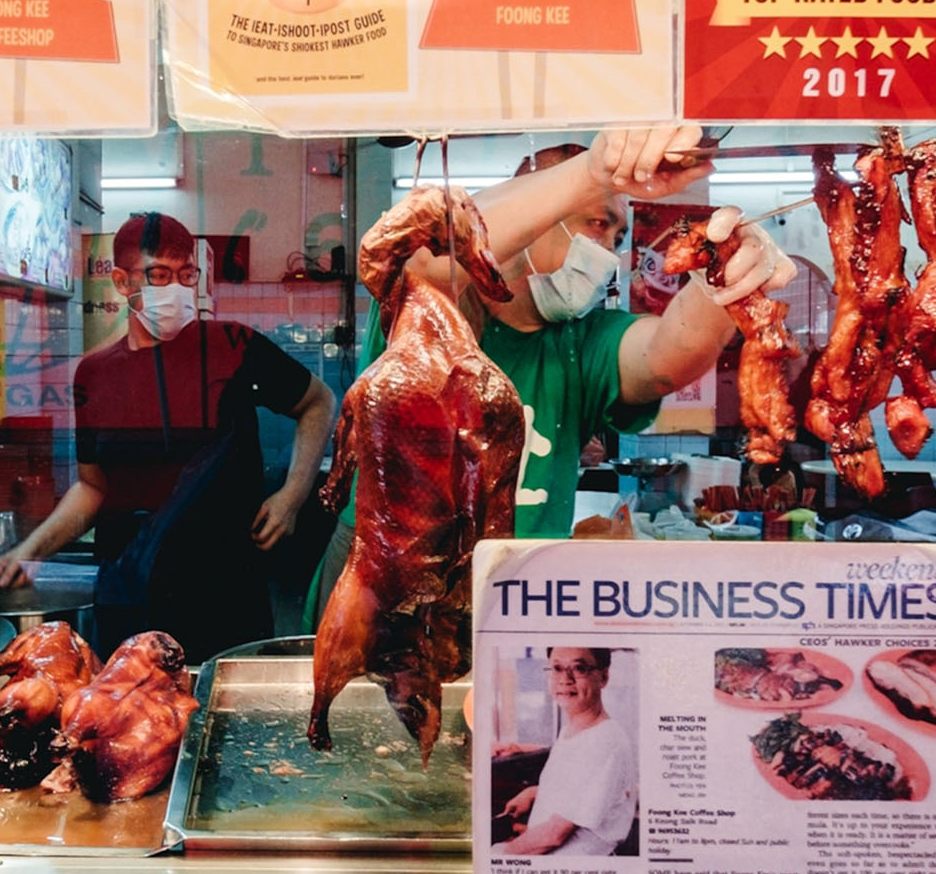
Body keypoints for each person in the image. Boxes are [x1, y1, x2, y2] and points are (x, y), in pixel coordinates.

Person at [306, 126, 795, 624]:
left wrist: (726, 273)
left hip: (520, 584)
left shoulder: (583, 342)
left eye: (618, 236)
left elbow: (668, 357)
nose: (609, 250)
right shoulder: (430, 308)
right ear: (536, 218)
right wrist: (590, 172)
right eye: (597, 223)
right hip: (386, 575)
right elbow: (431, 257)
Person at [0, 212, 337, 661]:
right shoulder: (94, 373)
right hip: (131, 594)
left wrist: (292, 495)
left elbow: (318, 402)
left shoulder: (232, 347)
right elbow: (94, 488)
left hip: (223, 590)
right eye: (159, 275)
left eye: (186, 275)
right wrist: (29, 551)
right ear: (121, 281)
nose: (176, 288)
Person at [494, 647, 636, 856]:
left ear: (603, 677)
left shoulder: (605, 742)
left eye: (579, 668)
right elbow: (576, 787)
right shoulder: (573, 728)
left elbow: (553, 836)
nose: (565, 679)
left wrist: (501, 855)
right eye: (557, 668)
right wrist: (533, 793)